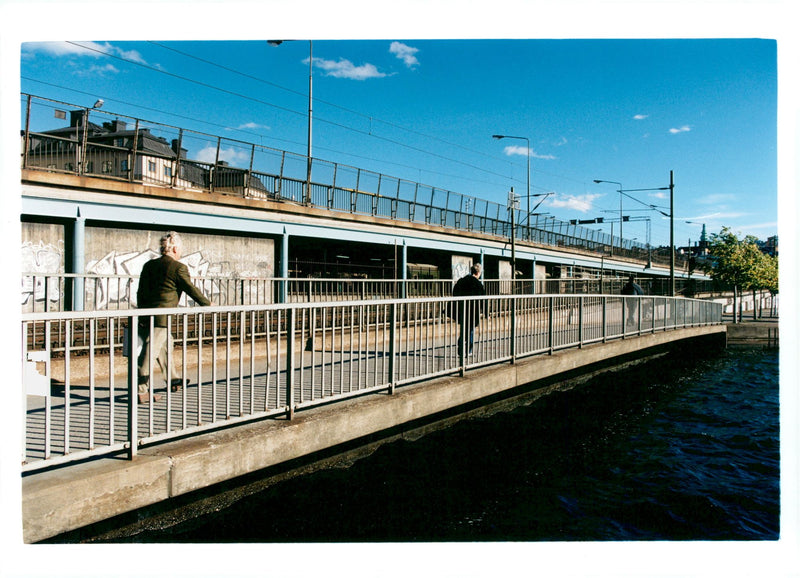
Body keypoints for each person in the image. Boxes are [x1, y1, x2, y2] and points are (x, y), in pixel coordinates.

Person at [136, 231, 210, 404]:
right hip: (161, 318)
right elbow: (191, 289)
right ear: (175, 248)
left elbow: (141, 291)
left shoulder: (149, 265)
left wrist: (140, 312)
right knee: (149, 352)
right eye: (180, 249)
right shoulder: (178, 268)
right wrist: (207, 304)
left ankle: (173, 379)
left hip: (146, 314)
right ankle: (140, 390)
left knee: (165, 346)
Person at [452, 263, 485, 357]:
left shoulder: (462, 280)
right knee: (470, 330)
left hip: (462, 310)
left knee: (464, 329)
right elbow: (483, 299)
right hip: (473, 311)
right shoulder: (478, 284)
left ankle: (461, 347)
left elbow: (455, 291)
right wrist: (486, 313)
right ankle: (468, 350)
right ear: (478, 273)